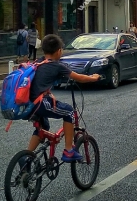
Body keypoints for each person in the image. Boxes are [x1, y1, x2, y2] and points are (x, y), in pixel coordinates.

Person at [25, 34, 100, 163]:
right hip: (41, 103)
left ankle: (26, 157)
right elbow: (79, 78)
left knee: (43, 126)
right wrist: (94, 78)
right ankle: (69, 150)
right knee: (69, 111)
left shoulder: (38, 62)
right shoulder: (57, 66)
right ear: (59, 51)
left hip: (28, 105)